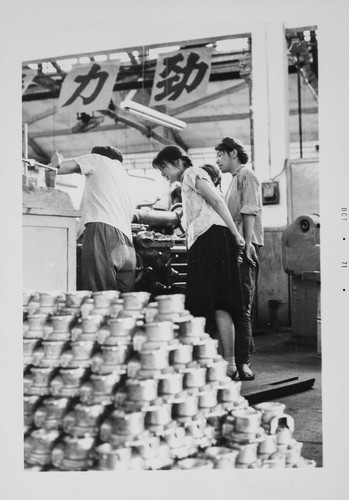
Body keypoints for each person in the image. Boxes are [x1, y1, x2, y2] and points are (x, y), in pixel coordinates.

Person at [152, 145, 248, 380]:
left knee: (219, 303)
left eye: (164, 167)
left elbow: (216, 200)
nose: (163, 174)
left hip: (212, 239)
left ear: (178, 162)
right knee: (215, 304)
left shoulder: (192, 173)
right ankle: (225, 364)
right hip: (205, 241)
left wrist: (236, 234)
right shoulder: (185, 182)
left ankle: (229, 363)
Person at [47, 146, 137, 293]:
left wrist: (54, 163)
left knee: (100, 296)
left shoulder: (98, 159)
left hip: (103, 232)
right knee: (122, 300)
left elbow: (58, 167)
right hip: (127, 241)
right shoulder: (124, 175)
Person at [215, 136, 264, 381]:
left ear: (233, 153)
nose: (218, 161)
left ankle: (244, 363)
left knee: (242, 306)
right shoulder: (233, 180)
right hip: (237, 246)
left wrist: (247, 245)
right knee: (234, 305)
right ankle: (236, 361)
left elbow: (249, 209)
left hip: (246, 246)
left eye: (220, 155)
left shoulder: (246, 175)